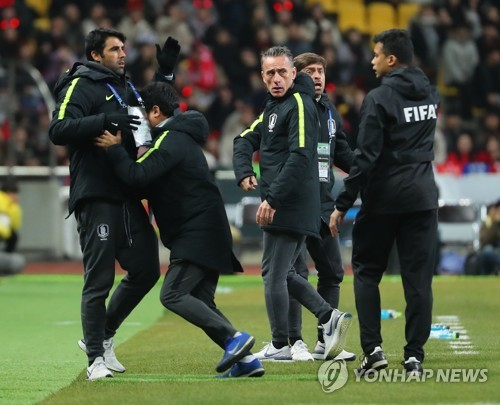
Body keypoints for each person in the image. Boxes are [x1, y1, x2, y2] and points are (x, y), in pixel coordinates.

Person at [94, 81, 264, 379]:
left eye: (144, 116)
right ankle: (246, 361)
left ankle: (235, 339)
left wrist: (115, 151)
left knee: (172, 294)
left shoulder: (170, 139)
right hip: (208, 230)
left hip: (197, 234)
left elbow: (138, 175)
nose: (142, 125)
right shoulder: (181, 137)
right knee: (201, 302)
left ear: (156, 112)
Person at [48, 28, 181, 381]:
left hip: (125, 192)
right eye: (114, 49)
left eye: (123, 48)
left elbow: (148, 117)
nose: (123, 54)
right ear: (95, 55)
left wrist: (165, 74)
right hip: (96, 194)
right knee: (99, 280)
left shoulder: (125, 87)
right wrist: (104, 121)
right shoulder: (81, 83)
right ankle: (94, 360)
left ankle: (102, 335)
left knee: (147, 270)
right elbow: (58, 129)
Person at [330, 29, 439, 376]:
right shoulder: (430, 93)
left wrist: (343, 203)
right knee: (418, 280)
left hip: (384, 199)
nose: (372, 60)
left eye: (376, 55)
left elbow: (366, 158)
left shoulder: (378, 99)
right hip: (422, 197)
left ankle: (373, 351)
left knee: (366, 272)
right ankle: (414, 358)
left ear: (391, 59)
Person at [233, 46, 352, 362]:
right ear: (262, 76)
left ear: (291, 74)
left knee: (286, 273)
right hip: (296, 201)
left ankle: (314, 329)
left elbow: (304, 155)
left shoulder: (304, 106)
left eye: (281, 72)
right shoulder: (277, 107)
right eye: (269, 73)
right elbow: (244, 139)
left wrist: (273, 197)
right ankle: (296, 338)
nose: (275, 78)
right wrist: (244, 171)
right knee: (285, 271)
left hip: (297, 202)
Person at [287, 52, 356, 362]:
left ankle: (323, 341)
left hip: (324, 205)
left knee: (332, 273)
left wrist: (366, 170)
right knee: (294, 272)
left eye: (320, 71)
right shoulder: (290, 107)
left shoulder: (329, 111)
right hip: (295, 204)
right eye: (309, 71)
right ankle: (291, 342)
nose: (317, 76)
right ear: (297, 75)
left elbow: (341, 152)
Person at [0, 177, 26, 275]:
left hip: (4, 231)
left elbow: (14, 225)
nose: (17, 196)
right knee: (13, 236)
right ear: (10, 193)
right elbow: (3, 223)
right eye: (15, 193)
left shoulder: (10, 204)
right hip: (2, 231)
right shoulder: (2, 201)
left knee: (13, 236)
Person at [478, 200, 500, 275]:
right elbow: (486, 240)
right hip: (491, 249)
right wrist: (495, 223)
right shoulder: (488, 222)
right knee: (488, 250)